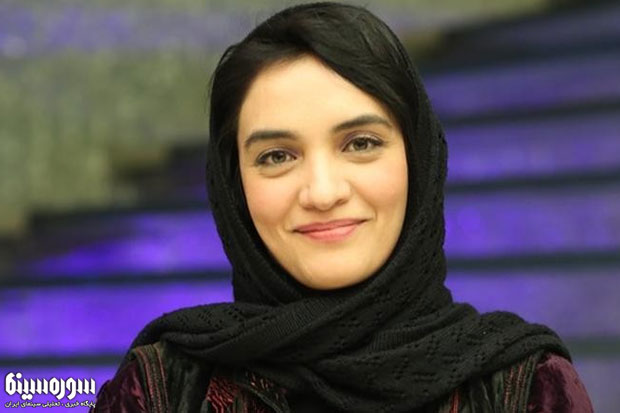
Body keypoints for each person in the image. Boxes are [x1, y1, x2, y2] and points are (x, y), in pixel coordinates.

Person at [91, 2, 593, 412]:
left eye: (361, 143)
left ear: (417, 159)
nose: (323, 192)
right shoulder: (165, 387)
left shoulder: (522, 388)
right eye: (277, 156)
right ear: (232, 185)